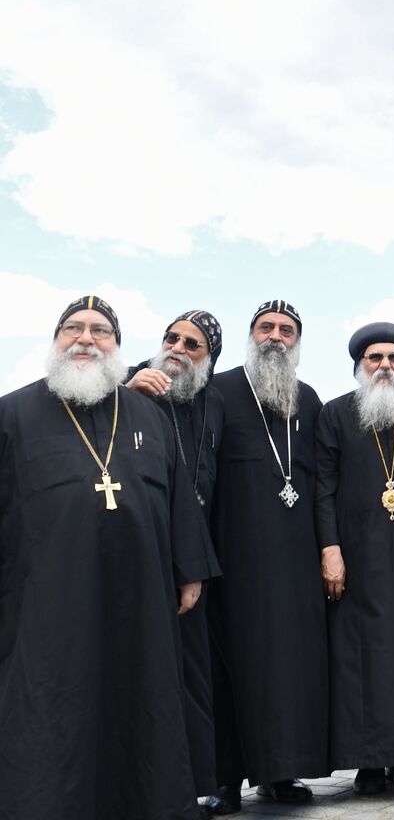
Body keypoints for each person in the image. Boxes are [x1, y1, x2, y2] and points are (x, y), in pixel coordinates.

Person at [0, 296, 216, 820]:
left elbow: (178, 498)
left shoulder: (148, 414)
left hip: (139, 597)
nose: (86, 339)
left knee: (141, 703)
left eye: (101, 331)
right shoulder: (14, 413)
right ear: (55, 342)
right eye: (73, 329)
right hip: (47, 597)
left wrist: (189, 568)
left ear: (117, 347)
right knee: (54, 704)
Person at [208, 300, 327, 811]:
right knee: (233, 666)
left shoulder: (310, 398)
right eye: (266, 328)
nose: (275, 337)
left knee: (290, 666)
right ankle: (224, 780)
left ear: (297, 341)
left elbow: (321, 481)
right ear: (251, 334)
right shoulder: (219, 390)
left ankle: (280, 773)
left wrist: (329, 549)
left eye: (286, 330)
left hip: (298, 557)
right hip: (236, 554)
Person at [315, 323, 394, 795]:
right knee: (359, 663)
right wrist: (330, 549)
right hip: (355, 557)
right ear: (359, 365)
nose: (385, 365)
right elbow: (322, 488)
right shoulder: (335, 415)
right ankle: (367, 762)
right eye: (375, 358)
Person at [126, 309, 227, 811]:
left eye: (193, 345)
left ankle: (199, 782)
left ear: (209, 359)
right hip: (137, 555)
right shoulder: (128, 386)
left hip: (193, 560)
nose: (178, 349)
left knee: (193, 677)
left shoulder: (216, 405)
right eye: (173, 338)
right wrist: (128, 394)